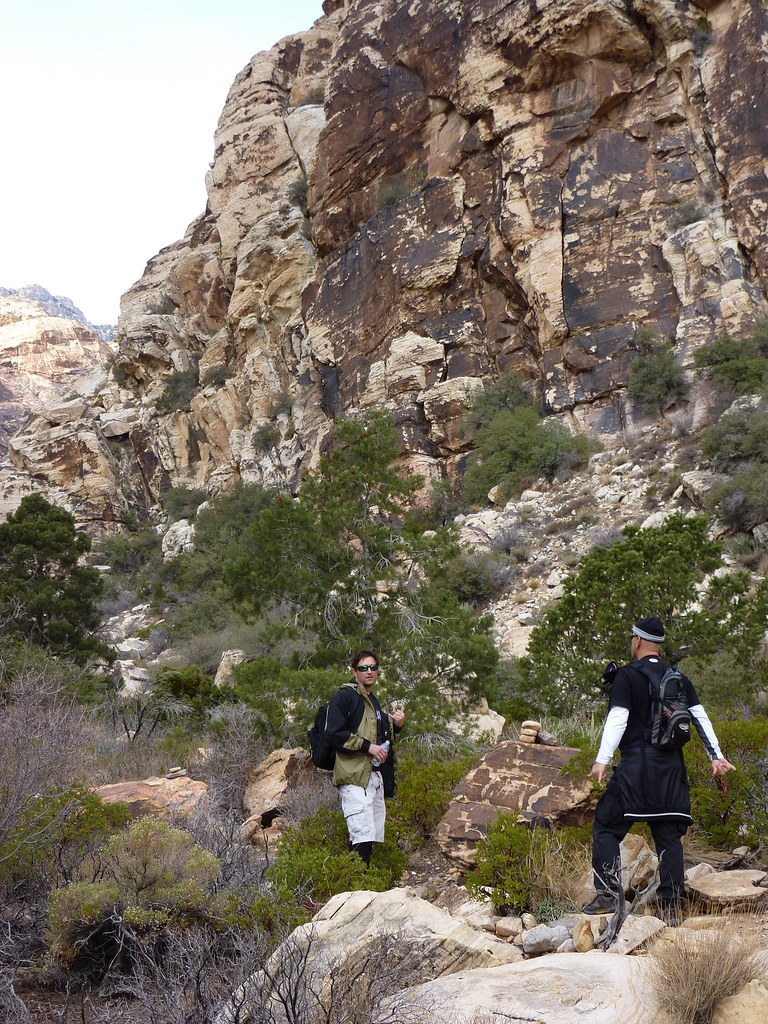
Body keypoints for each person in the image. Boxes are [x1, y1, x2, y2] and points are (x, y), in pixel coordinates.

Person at [583, 616, 735, 919]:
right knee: (669, 840)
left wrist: (602, 759)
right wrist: (715, 756)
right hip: (671, 773)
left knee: (606, 827)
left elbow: (618, 719)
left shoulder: (626, 676)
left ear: (637, 640)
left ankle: (608, 896)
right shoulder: (678, 679)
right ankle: (671, 908)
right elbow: (700, 718)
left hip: (636, 771)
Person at [325, 649, 405, 865]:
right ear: (355, 671)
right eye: (363, 668)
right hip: (354, 778)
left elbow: (378, 735)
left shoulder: (372, 701)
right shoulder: (346, 697)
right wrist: (368, 747)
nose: (369, 671)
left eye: (373, 667)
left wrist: (396, 725)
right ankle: (355, 882)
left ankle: (365, 880)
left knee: (370, 839)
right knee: (361, 840)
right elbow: (333, 734)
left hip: (373, 777)